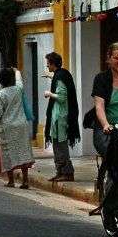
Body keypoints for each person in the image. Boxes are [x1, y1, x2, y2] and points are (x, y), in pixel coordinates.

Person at [0, 67, 34, 188]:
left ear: (0, 80)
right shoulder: (18, 89)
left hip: (7, 127)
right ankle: (25, 180)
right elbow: (19, 79)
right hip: (21, 125)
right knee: (23, 152)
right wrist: (16, 71)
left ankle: (11, 181)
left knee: (8, 153)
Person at [43, 52, 79, 182]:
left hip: (61, 117)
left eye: (48, 63)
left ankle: (67, 172)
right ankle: (60, 171)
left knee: (61, 145)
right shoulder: (61, 74)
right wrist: (50, 77)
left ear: (53, 63)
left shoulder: (60, 77)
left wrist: (49, 93)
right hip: (58, 116)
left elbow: (62, 97)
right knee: (57, 145)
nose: (47, 65)